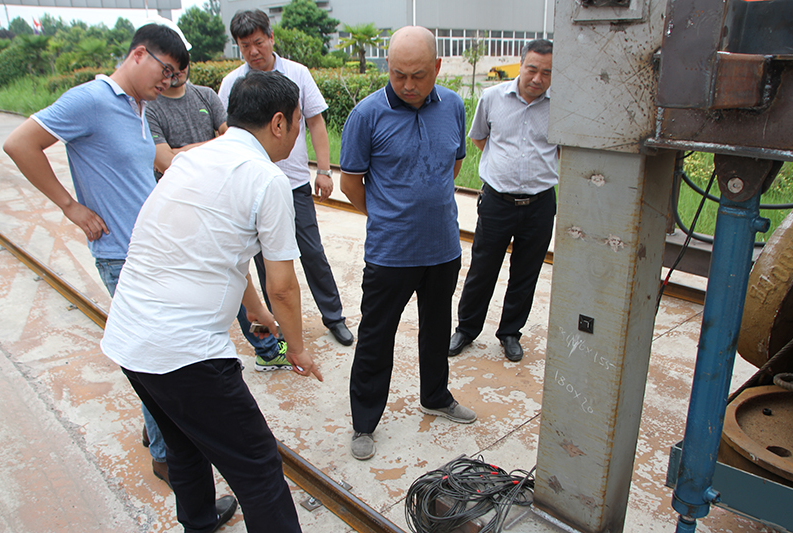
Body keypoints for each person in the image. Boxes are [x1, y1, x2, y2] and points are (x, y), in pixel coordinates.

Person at [101, 70, 322, 533]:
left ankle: (199, 522)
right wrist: (298, 349)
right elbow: (284, 285)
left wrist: (254, 308)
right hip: (186, 352)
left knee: (183, 442)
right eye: (298, 123)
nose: (297, 134)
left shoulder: (191, 160)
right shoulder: (267, 178)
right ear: (279, 123)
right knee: (258, 465)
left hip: (128, 335)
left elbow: (213, 245)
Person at [3, 22, 190, 489]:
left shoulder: (138, 106)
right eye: (165, 71)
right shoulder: (90, 100)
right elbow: (19, 143)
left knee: (158, 351)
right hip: (121, 256)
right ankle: (167, 458)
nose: (167, 82)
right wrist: (71, 206)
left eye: (174, 76)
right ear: (139, 54)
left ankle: (156, 433)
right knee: (153, 359)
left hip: (146, 251)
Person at [339, 26, 477, 461]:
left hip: (443, 248)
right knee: (376, 337)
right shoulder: (367, 115)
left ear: (437, 67)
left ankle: (435, 396)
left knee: (437, 328)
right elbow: (350, 184)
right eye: (398, 74)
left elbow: (452, 167)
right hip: (390, 253)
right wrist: (388, 214)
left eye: (418, 75)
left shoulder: (453, 106)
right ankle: (364, 422)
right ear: (388, 67)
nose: (408, 85)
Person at [218, 9, 354, 360]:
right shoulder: (232, 83)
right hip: (252, 189)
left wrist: (323, 170)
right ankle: (278, 328)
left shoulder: (297, 73)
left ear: (271, 37)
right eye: (244, 46)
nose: (253, 51)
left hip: (293, 184)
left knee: (312, 253)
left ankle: (334, 317)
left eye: (258, 42)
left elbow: (316, 122)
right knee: (265, 262)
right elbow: (225, 132)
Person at [147, 63, 282, 367]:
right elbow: (166, 160)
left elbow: (229, 136)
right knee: (208, 286)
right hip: (185, 208)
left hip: (223, 198)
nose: (175, 73)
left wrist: (187, 150)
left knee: (236, 279)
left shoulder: (205, 96)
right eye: (168, 67)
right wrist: (220, 144)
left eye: (181, 64)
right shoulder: (153, 108)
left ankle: (267, 348)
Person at [448, 39, 557, 363]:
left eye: (547, 73)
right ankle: (466, 329)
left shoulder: (560, 106)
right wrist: (505, 167)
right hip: (497, 201)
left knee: (526, 272)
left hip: (540, 204)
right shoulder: (492, 97)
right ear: (520, 65)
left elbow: (562, 149)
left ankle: (510, 332)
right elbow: (479, 137)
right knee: (482, 269)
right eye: (532, 69)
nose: (537, 78)